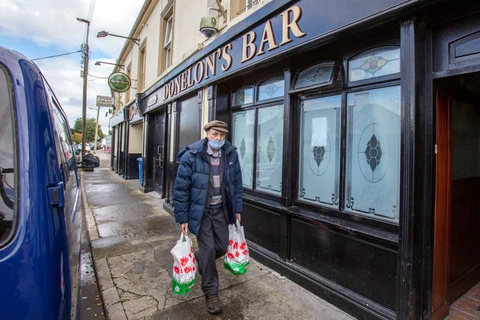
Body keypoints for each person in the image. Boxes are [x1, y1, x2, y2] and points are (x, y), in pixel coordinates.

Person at [173, 120, 243, 314]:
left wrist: (237, 208)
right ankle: (211, 292)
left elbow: (236, 183)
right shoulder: (191, 155)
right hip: (201, 212)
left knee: (221, 246)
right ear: (207, 134)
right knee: (209, 248)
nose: (218, 138)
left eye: (222, 135)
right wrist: (182, 218)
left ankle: (200, 258)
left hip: (221, 210)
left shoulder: (230, 154)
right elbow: (181, 189)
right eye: (215, 134)